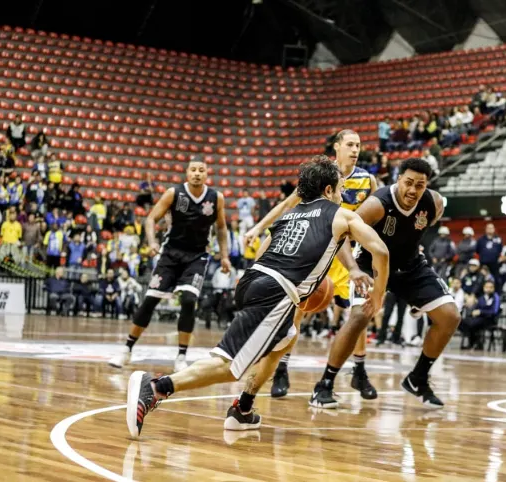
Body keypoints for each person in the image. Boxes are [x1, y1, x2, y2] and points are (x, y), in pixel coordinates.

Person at [126, 156, 389, 437]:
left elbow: (264, 251)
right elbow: (381, 251)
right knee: (229, 366)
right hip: (276, 292)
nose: (341, 195)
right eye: (339, 189)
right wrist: (378, 296)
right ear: (327, 191)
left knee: (284, 339)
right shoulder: (343, 215)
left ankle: (243, 409)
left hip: (253, 281)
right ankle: (156, 387)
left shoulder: (290, 215)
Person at [309, 158, 460, 409]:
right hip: (371, 264)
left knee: (450, 316)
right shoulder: (377, 205)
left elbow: (418, 232)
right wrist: (354, 269)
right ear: (398, 179)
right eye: (408, 183)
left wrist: (417, 295)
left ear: (427, 186)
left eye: (419, 185)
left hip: (411, 266)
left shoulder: (434, 203)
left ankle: (418, 378)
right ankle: (324, 384)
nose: (413, 190)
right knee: (359, 317)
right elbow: (340, 235)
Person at [245, 129, 380, 400]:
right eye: (350, 144)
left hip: (350, 253)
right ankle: (282, 368)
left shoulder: (368, 180)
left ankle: (359, 370)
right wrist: (259, 227)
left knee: (359, 314)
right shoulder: (322, 174)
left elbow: (378, 212)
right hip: (319, 247)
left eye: (359, 145)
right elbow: (287, 204)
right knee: (298, 309)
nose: (356, 149)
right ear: (337, 147)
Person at [109, 160, 230, 372]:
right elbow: (150, 219)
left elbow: (221, 228)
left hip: (197, 255)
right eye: (193, 170)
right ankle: (127, 350)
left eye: (201, 170)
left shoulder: (216, 198)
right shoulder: (173, 193)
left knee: (189, 299)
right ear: (186, 173)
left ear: (207, 174)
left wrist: (225, 256)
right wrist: (152, 242)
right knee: (149, 301)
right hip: (170, 254)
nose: (197, 174)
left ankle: (181, 356)